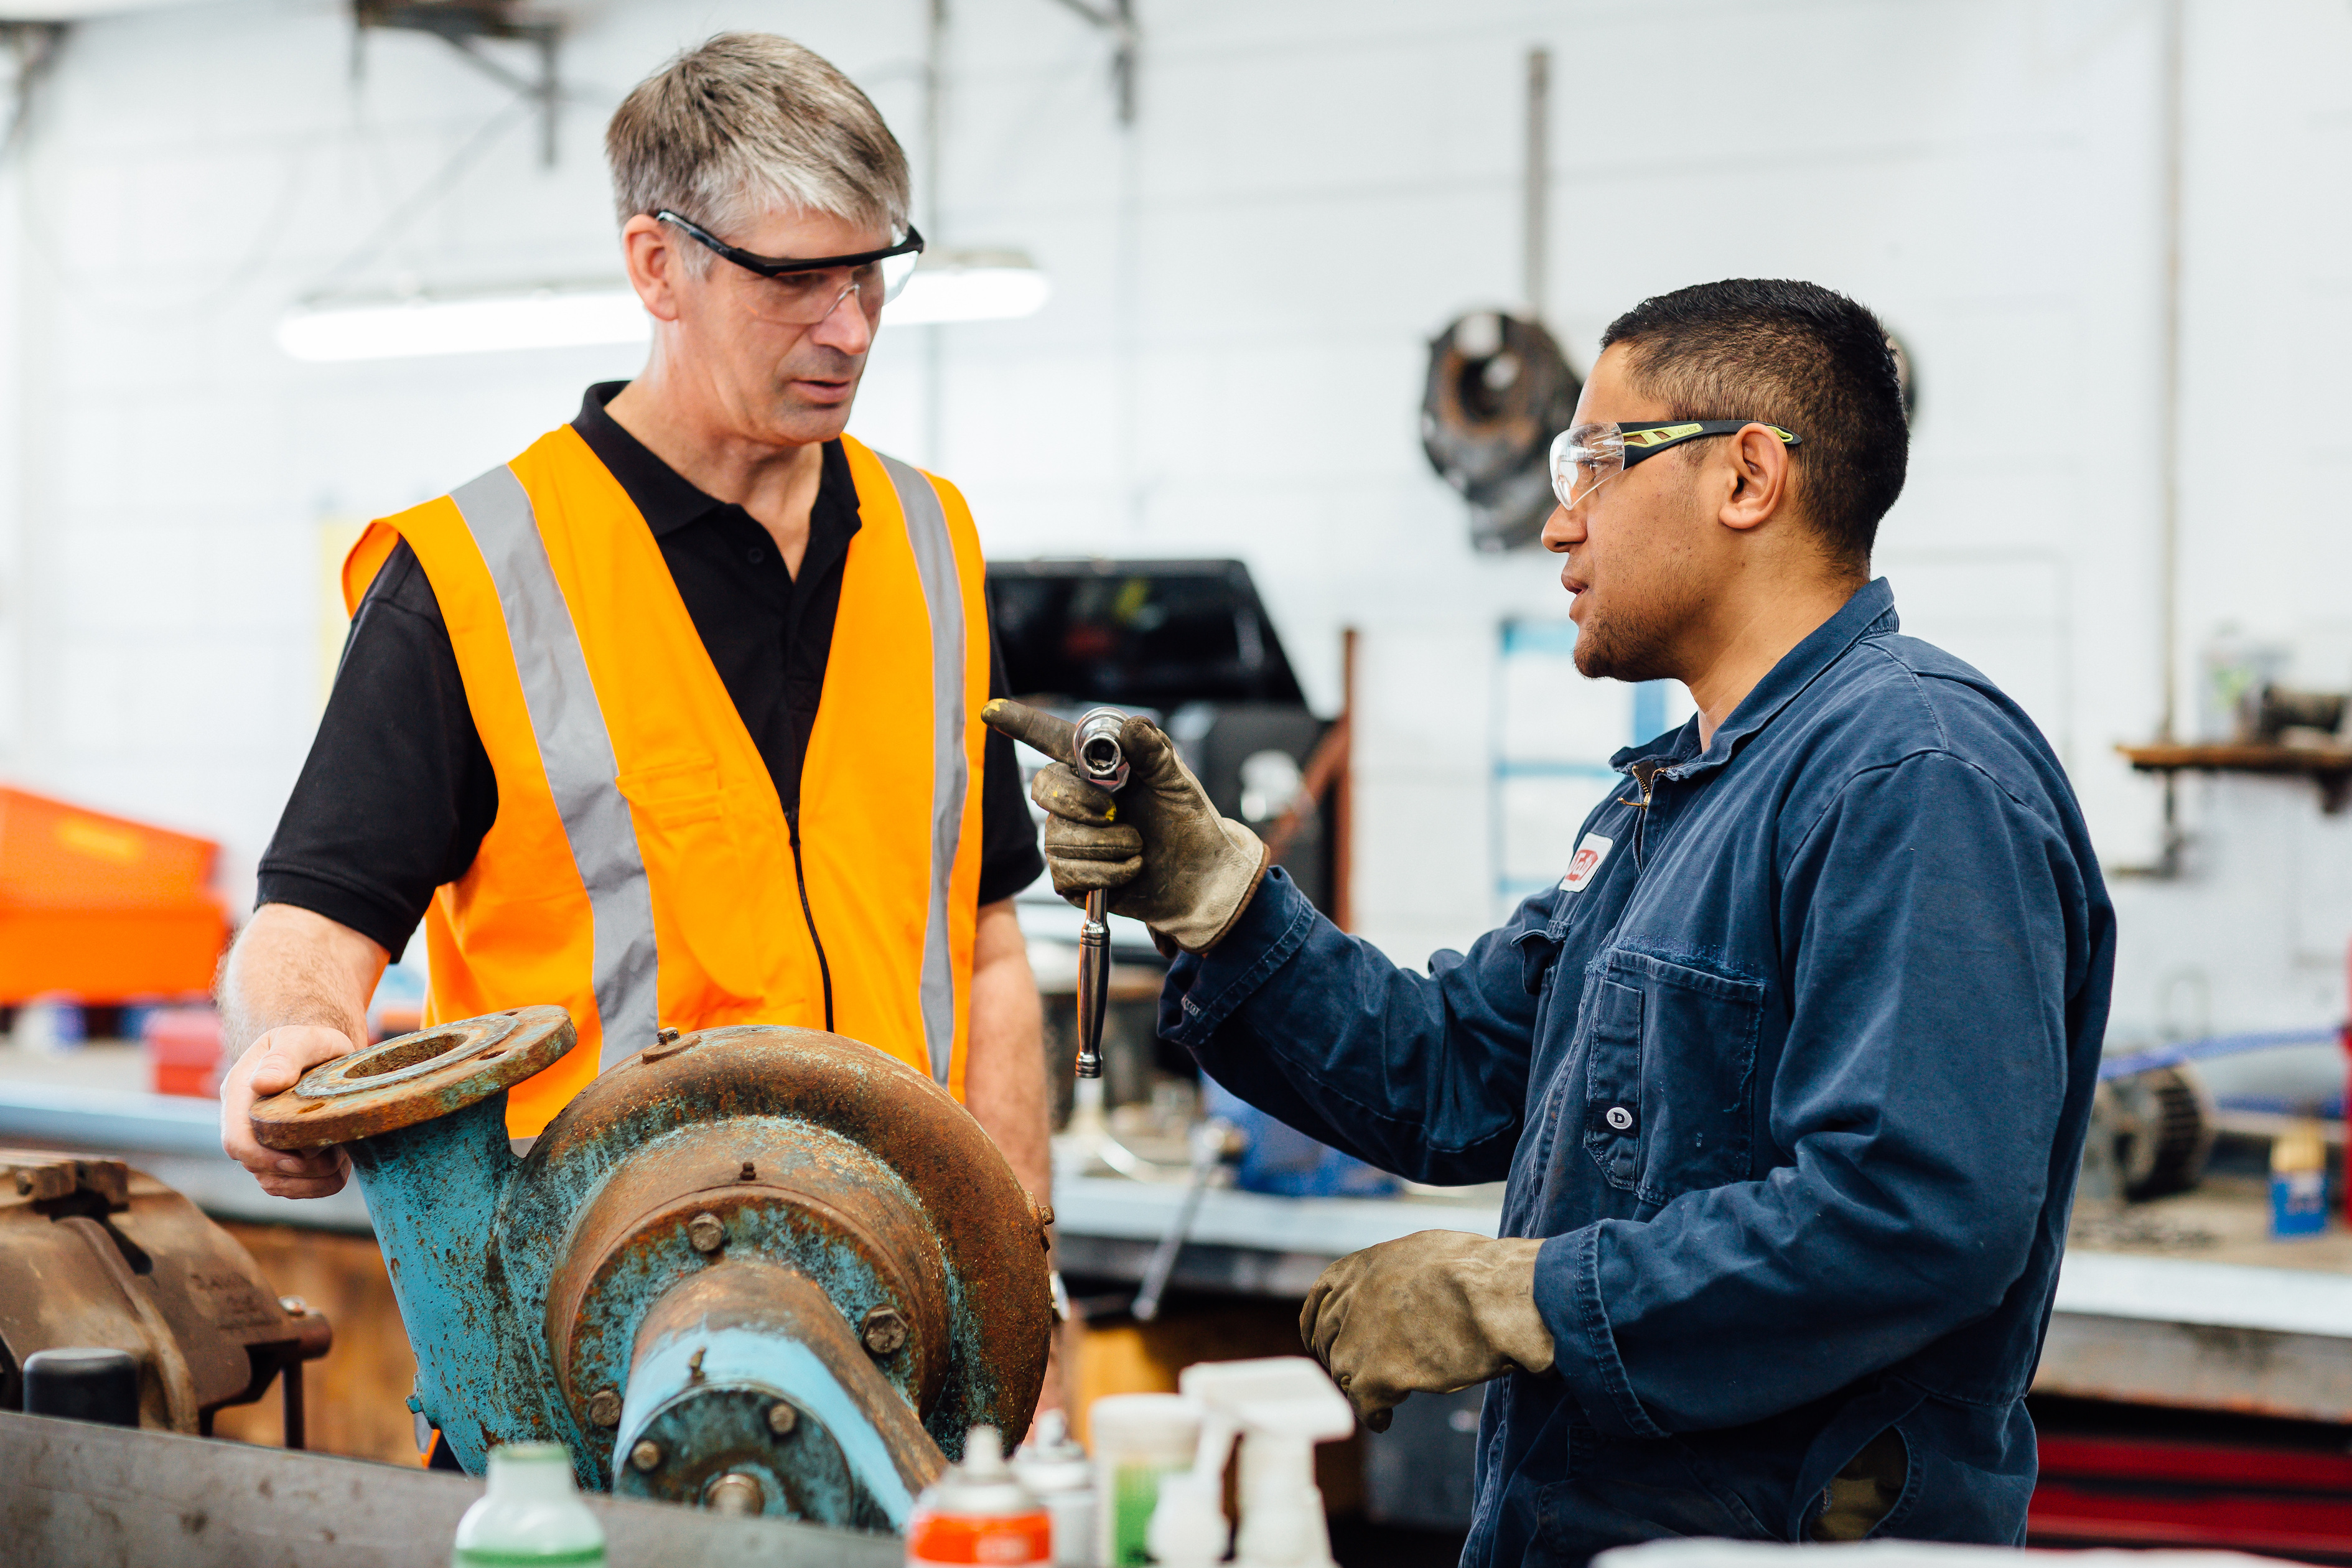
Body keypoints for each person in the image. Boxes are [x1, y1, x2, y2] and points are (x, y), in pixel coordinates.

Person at [991, 279, 2114, 1561]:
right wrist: (1217, 901)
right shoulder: (1680, 796)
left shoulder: (1915, 773)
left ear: (1747, 477)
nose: (1557, 522)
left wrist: (1529, 1297)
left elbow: (1910, 1216)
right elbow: (1452, 1072)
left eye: (1593, 462)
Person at [218, 35, 1048, 1257]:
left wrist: (1019, 1268)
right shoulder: (475, 577)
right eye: (798, 281)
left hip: (894, 1290)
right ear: (660, 266)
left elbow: (985, 943)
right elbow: (311, 923)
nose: (851, 328)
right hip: (585, 1311)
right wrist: (297, 1037)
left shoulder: (933, 542)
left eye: (873, 273)